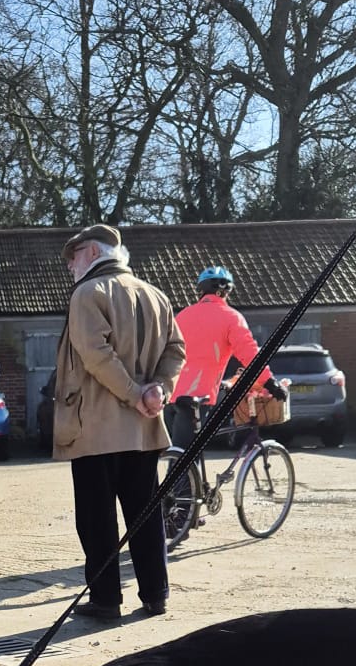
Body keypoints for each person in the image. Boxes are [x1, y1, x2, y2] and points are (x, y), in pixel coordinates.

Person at [52, 223, 186, 623]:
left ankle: (107, 600)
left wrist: (133, 393)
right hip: (144, 429)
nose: (70, 266)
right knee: (145, 514)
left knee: (96, 519)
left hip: (95, 428)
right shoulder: (156, 294)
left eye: (73, 257)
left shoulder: (87, 293)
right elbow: (177, 349)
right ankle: (156, 593)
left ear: (92, 253)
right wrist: (158, 390)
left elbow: (95, 354)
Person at [171, 267, 288, 443]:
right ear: (226, 293)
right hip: (200, 393)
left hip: (172, 392)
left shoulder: (182, 316)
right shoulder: (232, 317)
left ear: (201, 291)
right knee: (185, 460)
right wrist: (269, 382)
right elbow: (249, 353)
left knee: (180, 450)